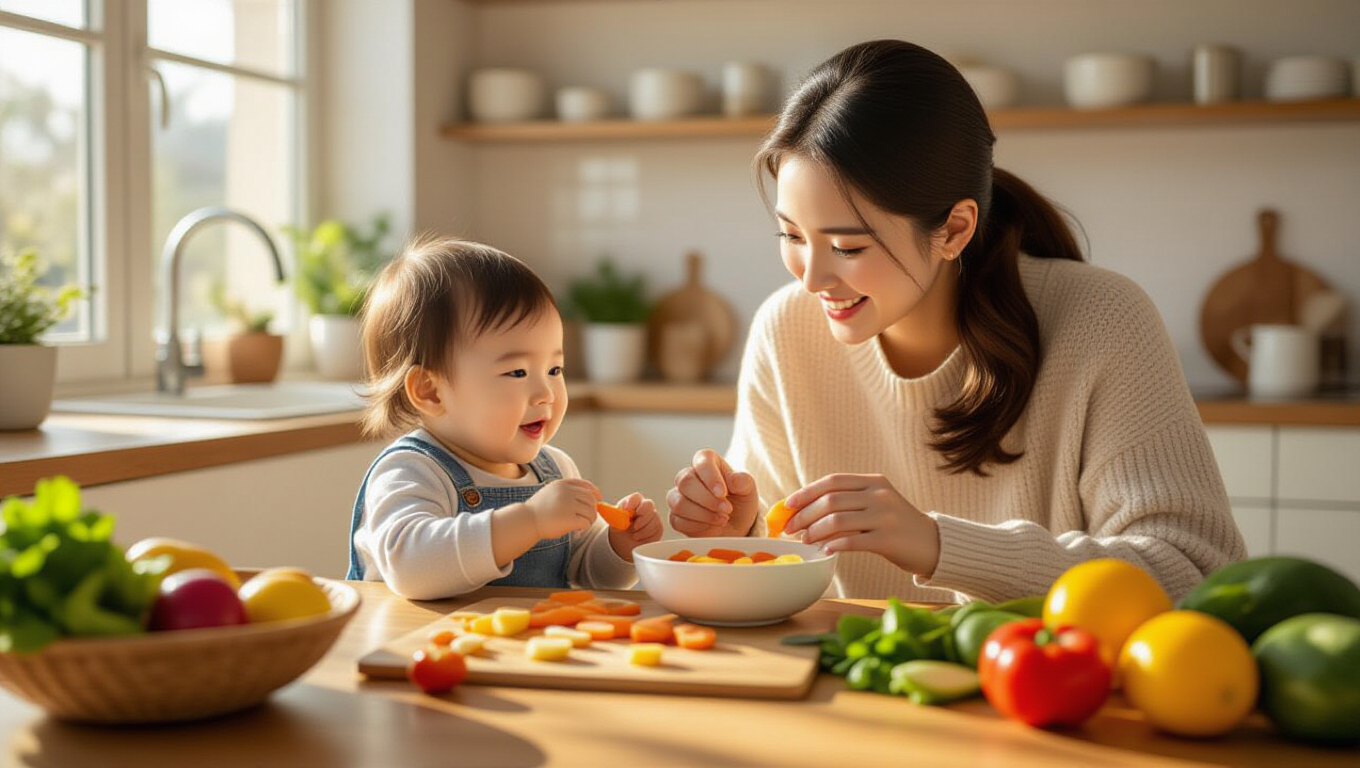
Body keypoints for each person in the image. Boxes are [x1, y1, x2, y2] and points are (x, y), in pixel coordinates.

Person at [667, 39, 1245, 603]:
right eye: (792, 236)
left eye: (847, 247)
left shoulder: (1103, 320)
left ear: (954, 229)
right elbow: (784, 558)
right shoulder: (786, 329)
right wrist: (741, 533)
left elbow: (1195, 573)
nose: (812, 278)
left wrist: (938, 545)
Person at [347, 234, 662, 599]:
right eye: (517, 372)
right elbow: (411, 568)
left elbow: (586, 574)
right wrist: (530, 521)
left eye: (555, 369)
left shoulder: (555, 470)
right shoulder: (412, 471)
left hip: (526, 635)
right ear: (431, 391)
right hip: (421, 635)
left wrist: (619, 546)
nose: (546, 393)